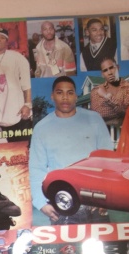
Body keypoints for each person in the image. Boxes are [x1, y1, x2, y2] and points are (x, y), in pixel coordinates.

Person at [30, 76, 113, 224]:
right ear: (52, 96)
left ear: (76, 96)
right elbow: (36, 168)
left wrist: (107, 195)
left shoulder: (94, 119)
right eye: (60, 92)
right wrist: (40, 203)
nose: (65, 97)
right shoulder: (42, 128)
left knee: (104, 247)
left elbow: (108, 160)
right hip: (62, 201)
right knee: (67, 248)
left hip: (96, 201)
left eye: (70, 93)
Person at [0, 27, 32, 141]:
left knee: (21, 151)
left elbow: (26, 83)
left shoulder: (18, 58)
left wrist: (28, 105)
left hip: (18, 115)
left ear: (7, 41)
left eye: (2, 38)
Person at [89, 58, 129, 126]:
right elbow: (97, 115)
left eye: (111, 68)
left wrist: (106, 96)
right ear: (102, 74)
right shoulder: (96, 91)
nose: (109, 73)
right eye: (105, 70)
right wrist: (119, 117)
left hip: (126, 133)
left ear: (118, 68)